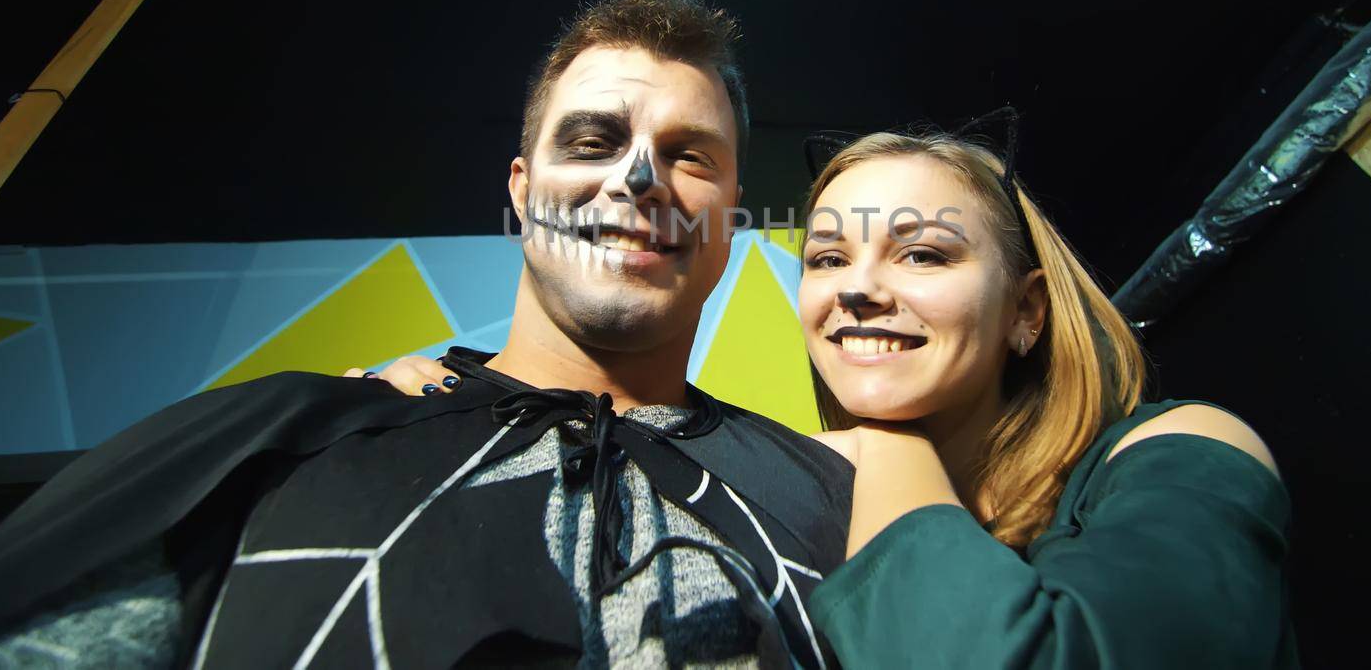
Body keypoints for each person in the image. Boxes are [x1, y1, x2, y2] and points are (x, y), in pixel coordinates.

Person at [0, 0, 852, 669]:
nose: (639, 178)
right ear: (523, 193)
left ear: (730, 216)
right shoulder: (291, 439)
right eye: (592, 141)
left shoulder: (832, 500)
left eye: (689, 155)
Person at [371, 125, 1297, 667]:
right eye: (826, 258)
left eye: (923, 253)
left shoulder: (1181, 451)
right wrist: (443, 406)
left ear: (1024, 313)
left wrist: (889, 446)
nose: (856, 288)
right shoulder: (806, 499)